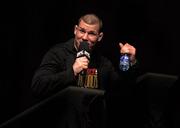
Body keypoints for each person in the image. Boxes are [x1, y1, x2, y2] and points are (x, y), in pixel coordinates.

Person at [31, 13, 139, 128]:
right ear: (75, 30)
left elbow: (122, 89)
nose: (85, 37)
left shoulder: (103, 62)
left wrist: (130, 62)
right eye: (82, 31)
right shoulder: (58, 53)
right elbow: (38, 85)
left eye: (91, 33)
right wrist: (72, 71)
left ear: (100, 37)